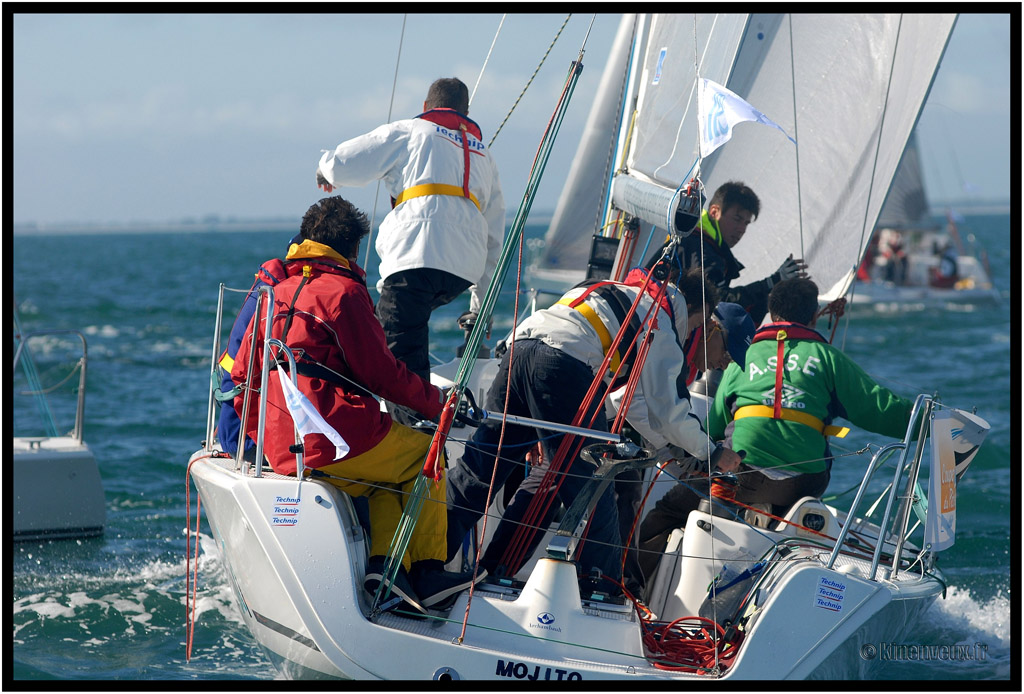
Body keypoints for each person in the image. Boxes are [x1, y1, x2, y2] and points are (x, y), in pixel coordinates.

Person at [231, 196, 480, 617]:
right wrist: (439, 404)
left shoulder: (273, 293)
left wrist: (264, 435)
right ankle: (431, 573)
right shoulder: (344, 293)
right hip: (333, 438)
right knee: (424, 451)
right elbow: (382, 374)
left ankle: (388, 574)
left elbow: (241, 380)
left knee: (380, 480)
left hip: (280, 447)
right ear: (352, 249)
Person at [445, 263, 744, 595]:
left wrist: (670, 450)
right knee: (595, 489)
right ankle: (602, 593)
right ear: (697, 311)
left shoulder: (611, 290)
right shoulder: (660, 315)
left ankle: (424, 565)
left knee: (479, 471)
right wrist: (712, 453)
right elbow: (670, 409)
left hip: (519, 351)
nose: (692, 332)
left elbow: (626, 402)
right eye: (699, 323)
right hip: (562, 366)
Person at [637, 278, 913, 582]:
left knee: (662, 519)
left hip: (739, 476)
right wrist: (924, 419)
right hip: (801, 484)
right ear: (812, 317)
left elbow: (713, 430)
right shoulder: (828, 359)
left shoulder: (742, 358)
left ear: (772, 313)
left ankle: (640, 589)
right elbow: (879, 408)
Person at [315, 77, 506, 386]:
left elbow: (346, 162)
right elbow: (495, 235)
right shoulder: (484, 154)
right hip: (462, 270)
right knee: (394, 332)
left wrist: (325, 168)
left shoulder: (412, 130)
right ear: (466, 111)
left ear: (425, 108)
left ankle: (413, 424)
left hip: (416, 256)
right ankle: (414, 410)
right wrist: (481, 305)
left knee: (395, 354)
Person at [644, 181, 807, 324]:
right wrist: (772, 282)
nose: (742, 229)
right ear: (714, 212)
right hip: (654, 327)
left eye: (746, 223)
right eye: (737, 219)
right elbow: (719, 303)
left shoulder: (691, 237)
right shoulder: (701, 247)